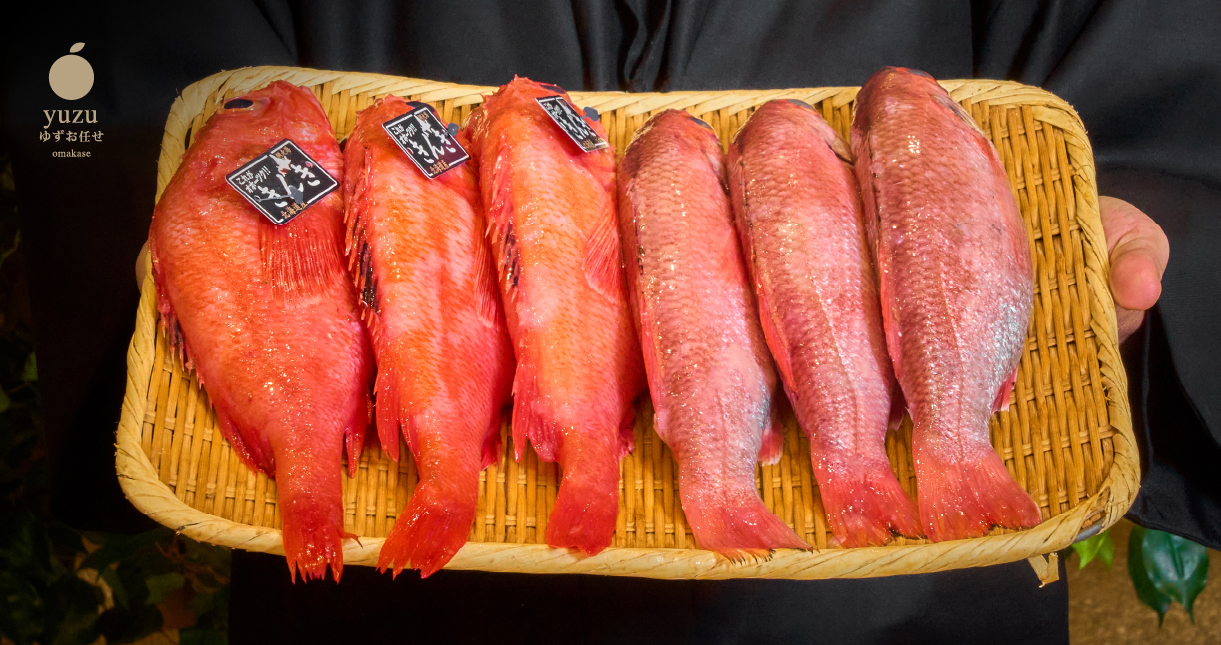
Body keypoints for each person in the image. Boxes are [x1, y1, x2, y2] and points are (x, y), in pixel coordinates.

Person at [0, 1, 1213, 643]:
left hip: (895, 606)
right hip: (404, 605)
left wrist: (1109, 209)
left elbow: (1141, 65)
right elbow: (121, 68)